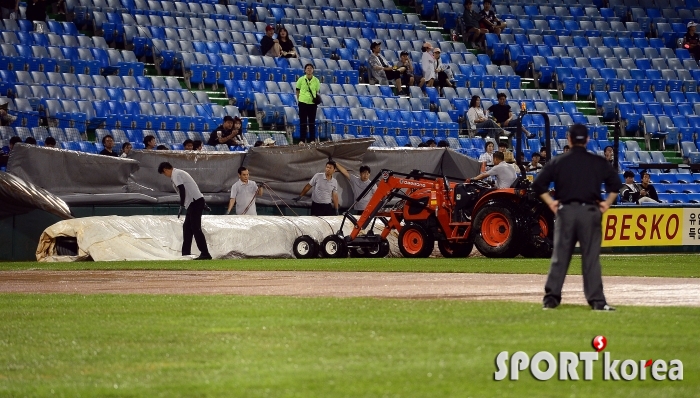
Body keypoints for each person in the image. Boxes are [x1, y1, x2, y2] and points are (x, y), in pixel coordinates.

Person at [532, 124, 621, 311]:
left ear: (569, 139)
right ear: (587, 140)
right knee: (591, 258)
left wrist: (551, 202)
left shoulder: (559, 161)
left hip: (566, 212)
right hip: (590, 212)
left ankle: (551, 300)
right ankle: (597, 302)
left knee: (560, 256)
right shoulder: (597, 162)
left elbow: (538, 185)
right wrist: (606, 203)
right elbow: (616, 184)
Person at [158, 162, 212, 260]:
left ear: (165, 170)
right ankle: (186, 252)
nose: (165, 175)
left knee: (196, 228)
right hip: (194, 202)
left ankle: (205, 253)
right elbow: (192, 187)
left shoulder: (176, 174)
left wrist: (181, 205)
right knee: (187, 227)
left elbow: (182, 189)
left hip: (194, 202)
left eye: (164, 173)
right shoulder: (178, 173)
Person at [295, 63, 320, 143]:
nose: (309, 69)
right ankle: (302, 140)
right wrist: (299, 99)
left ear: (313, 70)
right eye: (307, 68)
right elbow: (297, 90)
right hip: (303, 103)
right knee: (303, 122)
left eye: (310, 68)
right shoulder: (301, 79)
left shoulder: (316, 80)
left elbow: (316, 91)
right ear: (305, 70)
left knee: (312, 122)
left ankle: (312, 139)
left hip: (312, 104)